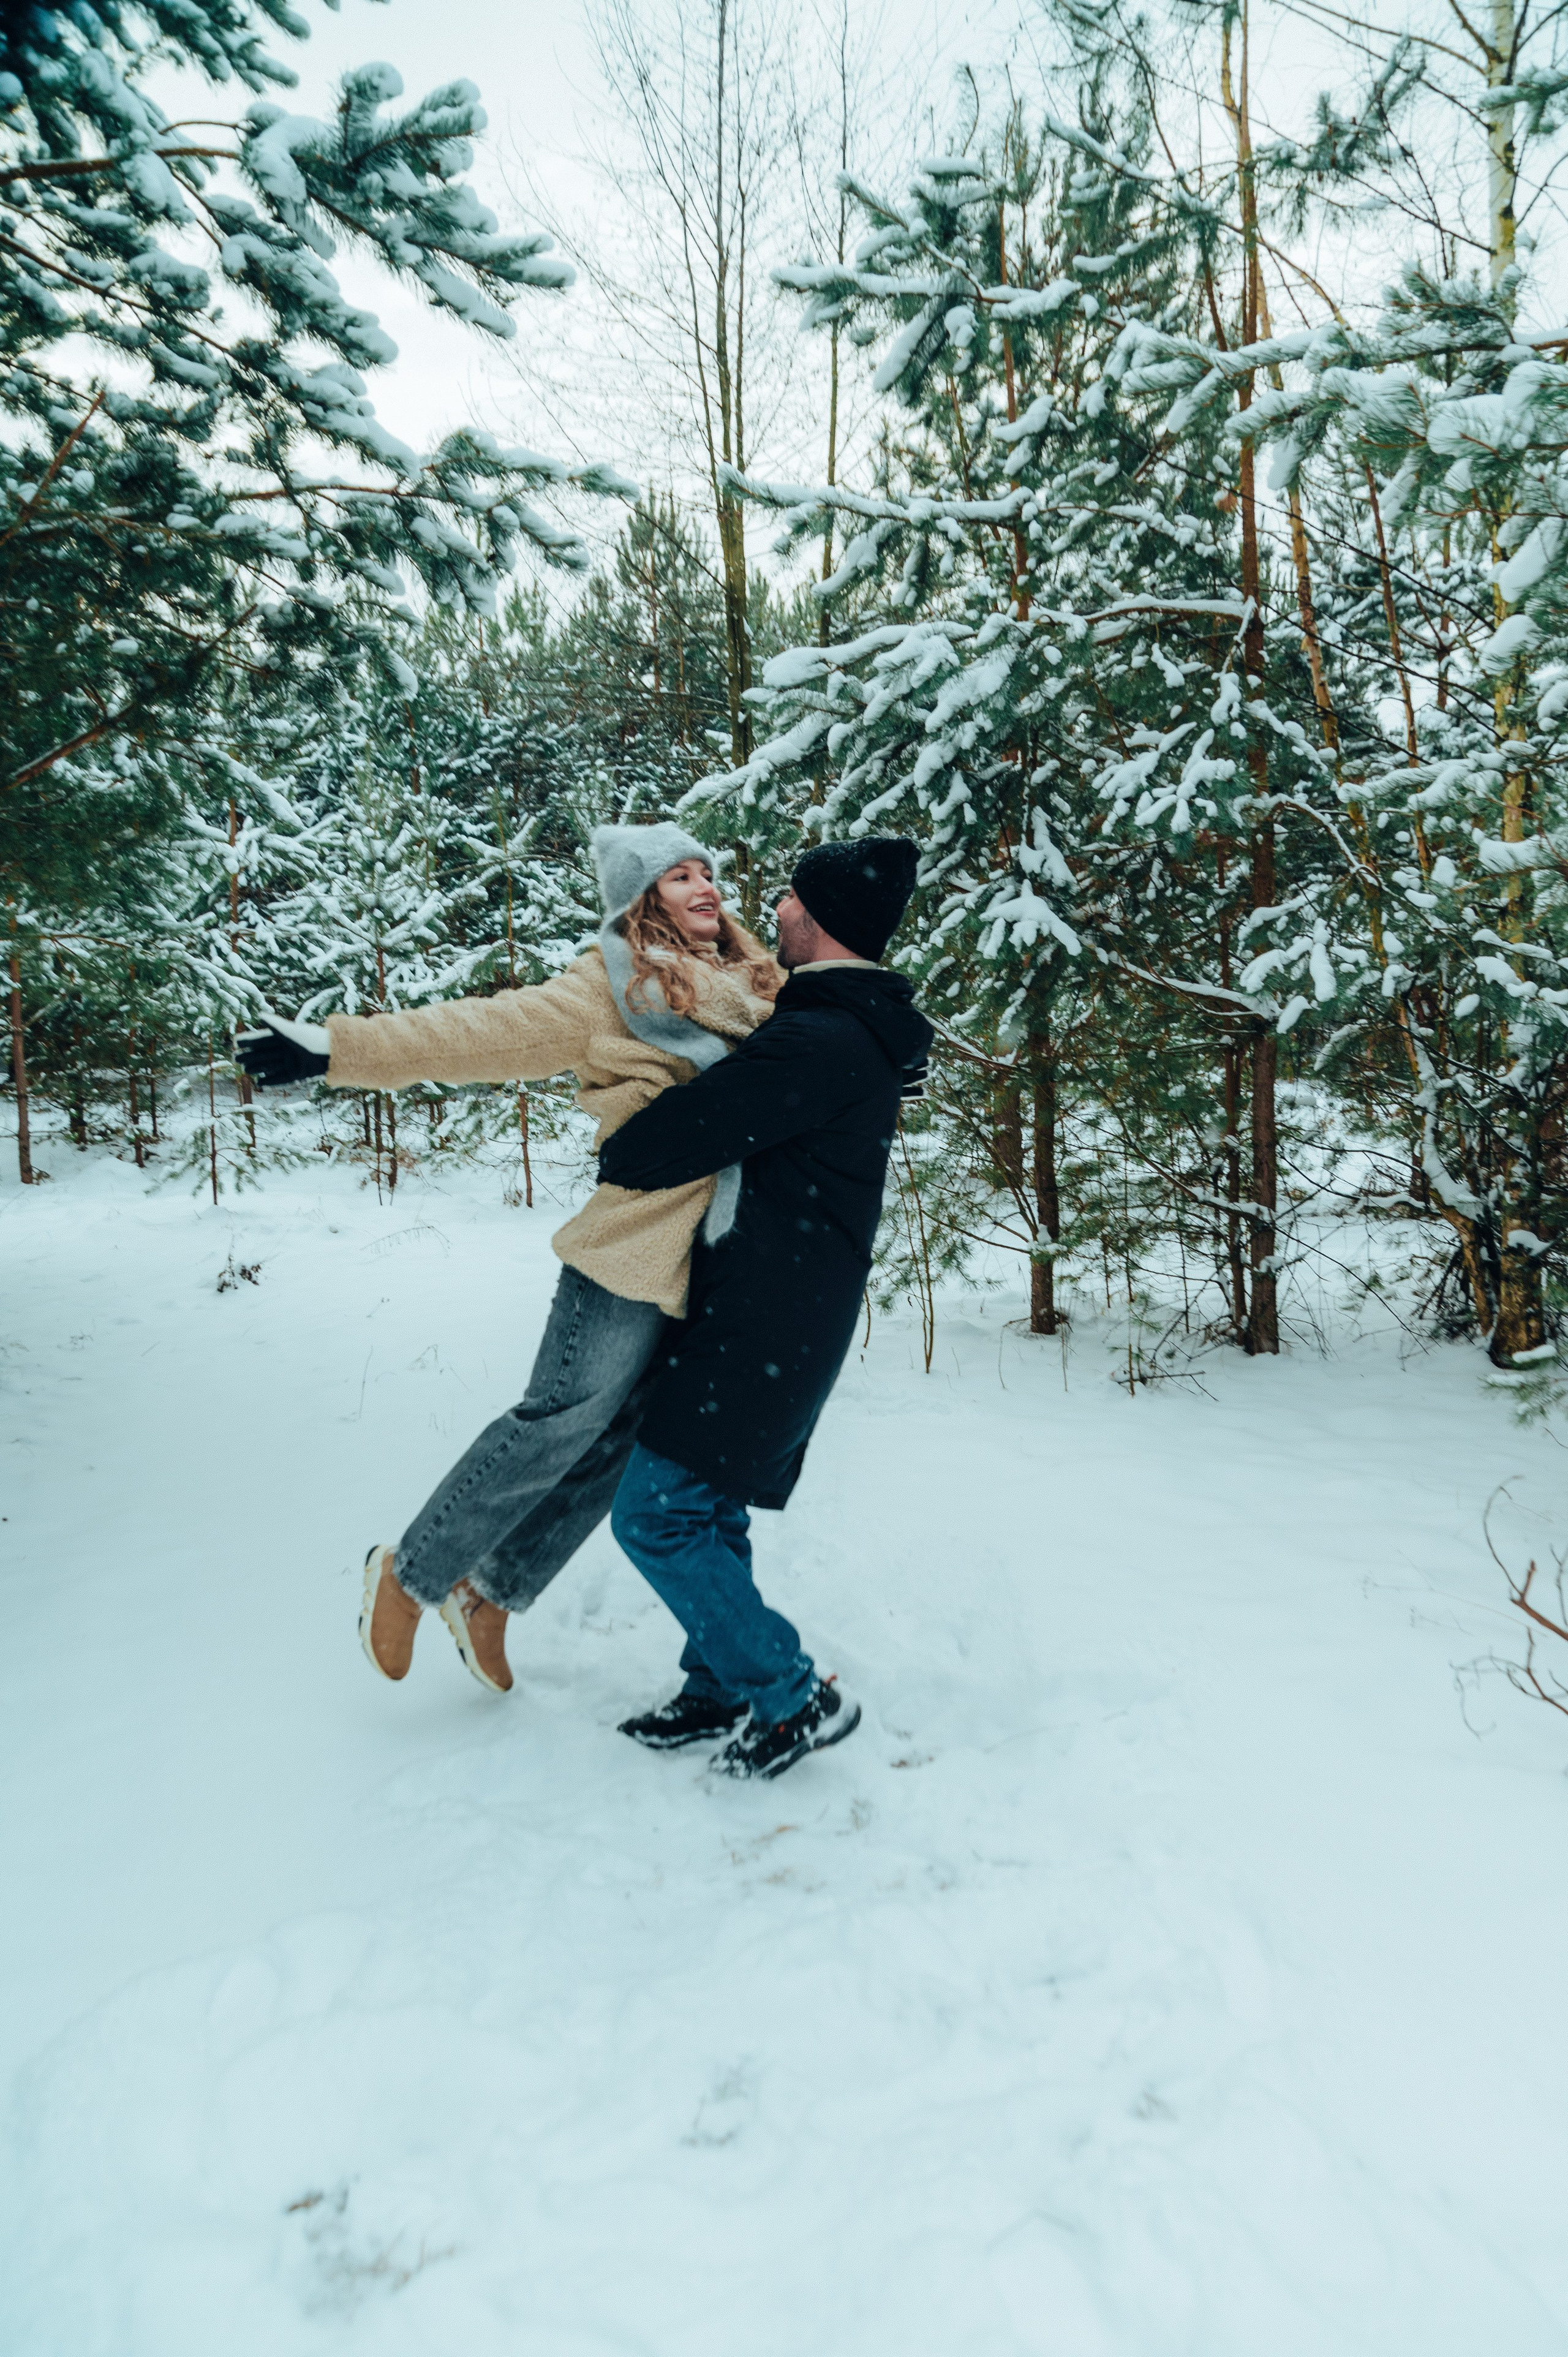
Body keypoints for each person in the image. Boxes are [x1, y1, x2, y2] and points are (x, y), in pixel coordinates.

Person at [236, 823, 782, 1698]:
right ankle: (409, 1572)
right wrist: (342, 1048)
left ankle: (490, 1594)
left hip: (708, 1266)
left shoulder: (760, 989)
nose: (705, 887)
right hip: (629, 1253)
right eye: (679, 877)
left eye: (708, 872)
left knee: (629, 1445)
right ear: (644, 902)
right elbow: (480, 1033)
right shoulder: (612, 987)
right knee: (562, 1418)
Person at [597, 835, 932, 1781]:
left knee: (655, 1515)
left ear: (818, 922)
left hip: (766, 1321)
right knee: (708, 1508)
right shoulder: (849, 1023)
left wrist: (618, 1125)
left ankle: (790, 1694)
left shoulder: (818, 1039)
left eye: (788, 898)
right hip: (778, 1308)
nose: (769, 910)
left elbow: (669, 1141)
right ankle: (719, 1681)